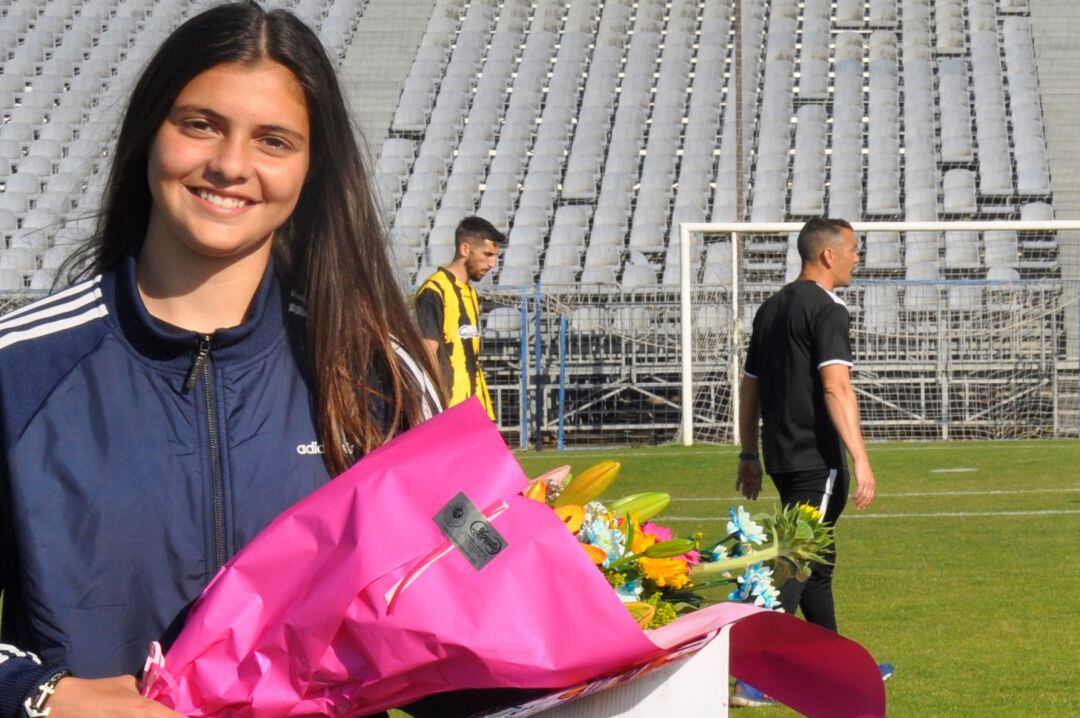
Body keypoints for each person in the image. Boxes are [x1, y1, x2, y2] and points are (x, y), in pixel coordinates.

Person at [0, 5, 441, 717]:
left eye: (273, 140)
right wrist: (46, 696)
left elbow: (446, 633)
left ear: (310, 168)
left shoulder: (380, 377)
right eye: (200, 124)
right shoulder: (20, 371)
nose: (231, 166)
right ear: (150, 133)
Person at [732, 217, 891, 707]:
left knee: (814, 560)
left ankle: (841, 664)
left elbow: (750, 387)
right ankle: (752, 677)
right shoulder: (826, 309)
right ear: (828, 255)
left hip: (781, 456)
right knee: (795, 561)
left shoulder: (771, 307)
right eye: (853, 249)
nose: (856, 258)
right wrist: (860, 460)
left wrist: (749, 453)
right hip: (816, 458)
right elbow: (835, 385)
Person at [414, 216, 505, 420]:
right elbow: (428, 353)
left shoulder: (470, 294)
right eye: (488, 254)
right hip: (450, 410)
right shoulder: (434, 291)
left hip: (476, 407)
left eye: (495, 256)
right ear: (465, 249)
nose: (492, 264)